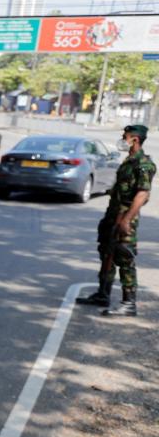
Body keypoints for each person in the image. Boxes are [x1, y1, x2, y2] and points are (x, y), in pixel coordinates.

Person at [76, 124, 154, 316]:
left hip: (125, 217)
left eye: (124, 136)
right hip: (113, 216)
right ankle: (103, 294)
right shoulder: (128, 161)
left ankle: (129, 303)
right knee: (106, 254)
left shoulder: (143, 164)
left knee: (124, 257)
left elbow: (142, 195)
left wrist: (126, 219)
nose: (122, 139)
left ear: (134, 139)